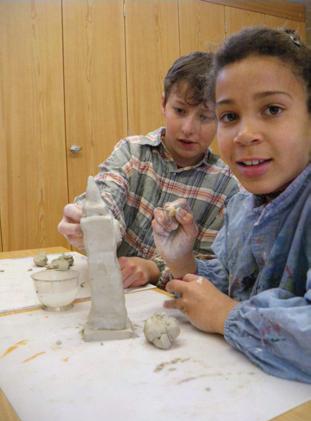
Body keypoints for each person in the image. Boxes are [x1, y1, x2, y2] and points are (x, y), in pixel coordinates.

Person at [152, 27, 311, 383]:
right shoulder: (242, 206)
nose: (244, 134)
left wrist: (227, 317)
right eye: (229, 116)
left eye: (272, 109)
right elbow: (229, 283)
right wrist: (182, 261)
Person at [58, 51, 239, 288]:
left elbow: (209, 264)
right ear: (164, 104)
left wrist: (152, 269)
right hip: (107, 285)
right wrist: (93, 220)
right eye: (180, 111)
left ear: (221, 119)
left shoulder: (225, 185)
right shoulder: (132, 152)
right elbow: (108, 192)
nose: (188, 128)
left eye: (205, 117)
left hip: (170, 303)